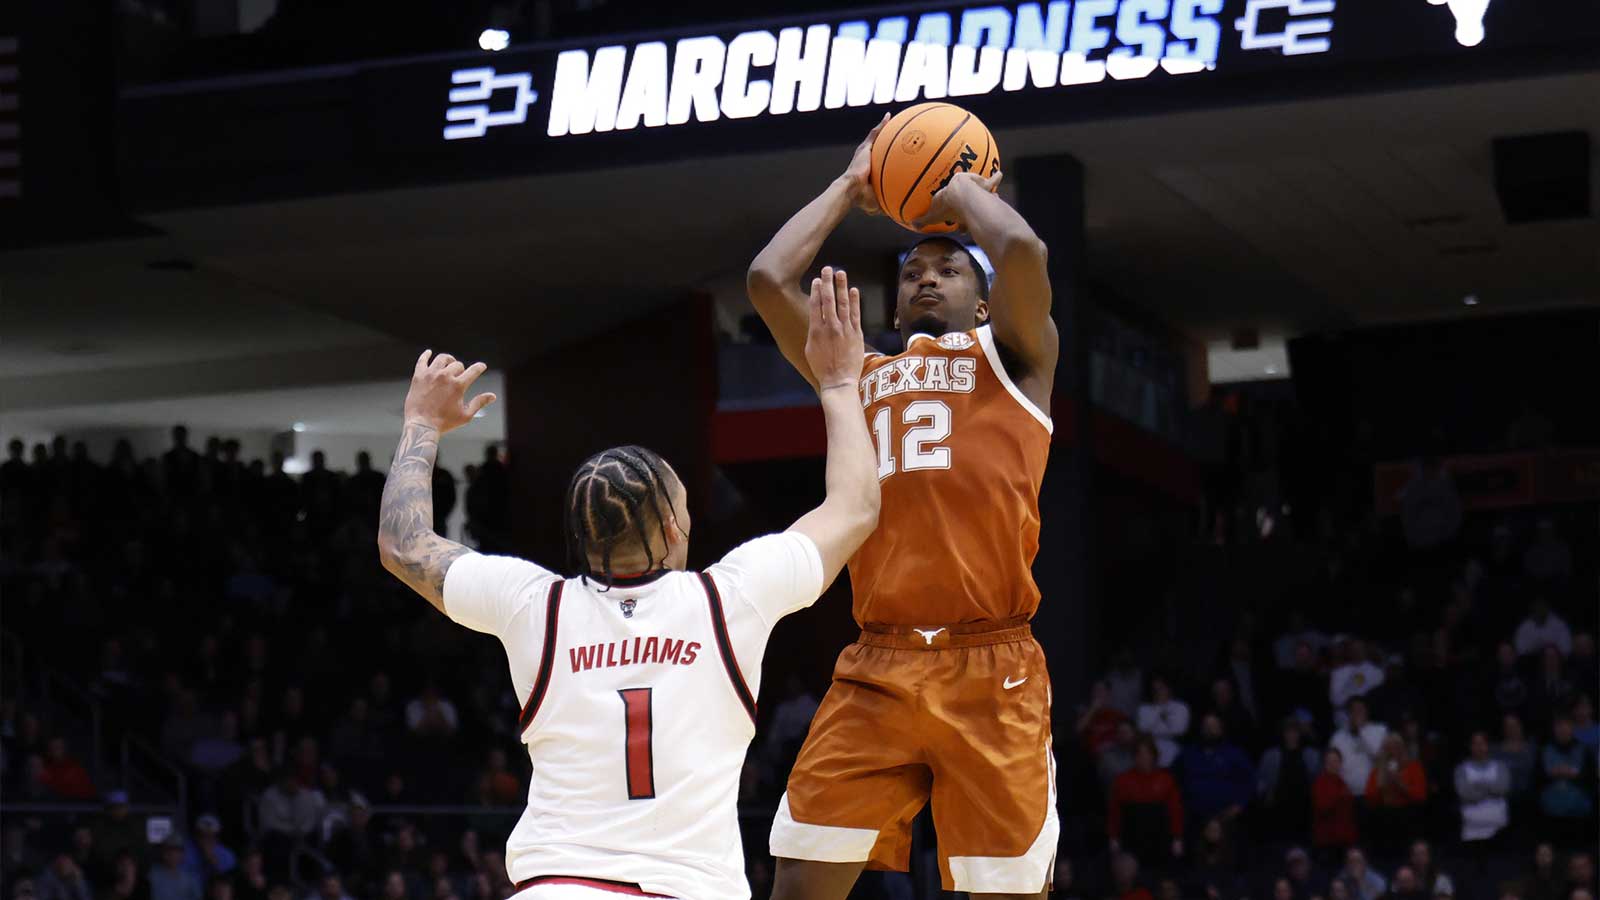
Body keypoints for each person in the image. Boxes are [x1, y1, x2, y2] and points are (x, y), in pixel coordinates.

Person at [375, 270, 879, 900]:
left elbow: (403, 545)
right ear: (673, 523)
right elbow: (855, 508)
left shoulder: (534, 605)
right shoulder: (729, 599)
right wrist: (838, 382)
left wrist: (421, 423)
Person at [748, 114, 1060, 899]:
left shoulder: (1016, 357)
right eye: (913, 267)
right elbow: (767, 281)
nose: (925, 274)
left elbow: (1023, 252)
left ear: (984, 306)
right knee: (798, 884)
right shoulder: (850, 368)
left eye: (949, 268)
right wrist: (851, 186)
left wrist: (955, 186)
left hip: (994, 664)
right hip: (878, 662)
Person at [1106, 737, 1183, 869]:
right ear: (1134, 757)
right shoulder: (1123, 781)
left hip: (1159, 839)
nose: (1144, 758)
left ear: (1154, 756)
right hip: (1132, 838)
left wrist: (1177, 838)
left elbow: (1175, 811)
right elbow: (1115, 812)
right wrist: (1113, 837)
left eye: (1147, 754)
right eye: (1140, 754)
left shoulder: (1166, 780)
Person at [1364, 734, 1427, 856]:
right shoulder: (1377, 771)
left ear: (1403, 748)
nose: (1393, 751)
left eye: (1397, 747)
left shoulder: (1414, 767)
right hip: (1384, 820)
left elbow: (1421, 796)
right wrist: (1382, 781)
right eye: (1389, 747)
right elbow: (1370, 799)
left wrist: (1400, 784)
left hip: (1408, 819)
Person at [1259, 718, 1321, 841]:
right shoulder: (1271, 755)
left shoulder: (1311, 754)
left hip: (1304, 807)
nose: (1292, 735)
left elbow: (1317, 778)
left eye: (1295, 732)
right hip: (1279, 807)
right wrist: (1265, 795)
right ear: (1283, 733)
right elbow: (1262, 780)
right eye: (1288, 732)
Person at [1455, 731, 1511, 846]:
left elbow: (1503, 789)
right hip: (1471, 831)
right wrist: (1491, 788)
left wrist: (1478, 786)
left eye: (1482, 743)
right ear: (1470, 747)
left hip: (1499, 829)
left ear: (1487, 745)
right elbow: (1465, 794)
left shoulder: (1500, 766)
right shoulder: (1462, 769)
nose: (1479, 747)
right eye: (1475, 744)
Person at [1329, 698, 1387, 796]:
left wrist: (1362, 732)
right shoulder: (1337, 738)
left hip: (1375, 793)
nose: (1357, 713)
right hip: (1348, 795)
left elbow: (1385, 761)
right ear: (1349, 714)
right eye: (1353, 710)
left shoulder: (1380, 730)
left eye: (1360, 709)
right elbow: (1331, 767)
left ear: (1367, 712)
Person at [1312, 749, 1359, 860]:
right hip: (1327, 842)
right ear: (1325, 764)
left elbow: (1349, 814)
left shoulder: (1343, 783)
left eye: (1336, 761)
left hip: (1345, 842)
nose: (1333, 764)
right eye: (1330, 761)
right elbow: (1323, 808)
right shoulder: (1320, 783)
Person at [1136, 676, 1189, 768]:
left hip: (1174, 755)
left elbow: (1179, 730)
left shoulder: (1180, 707)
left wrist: (1153, 730)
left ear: (1168, 689)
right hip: (1149, 756)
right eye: (1154, 689)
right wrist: (1160, 716)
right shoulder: (1143, 709)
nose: (1158, 692)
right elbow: (1143, 730)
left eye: (1161, 688)